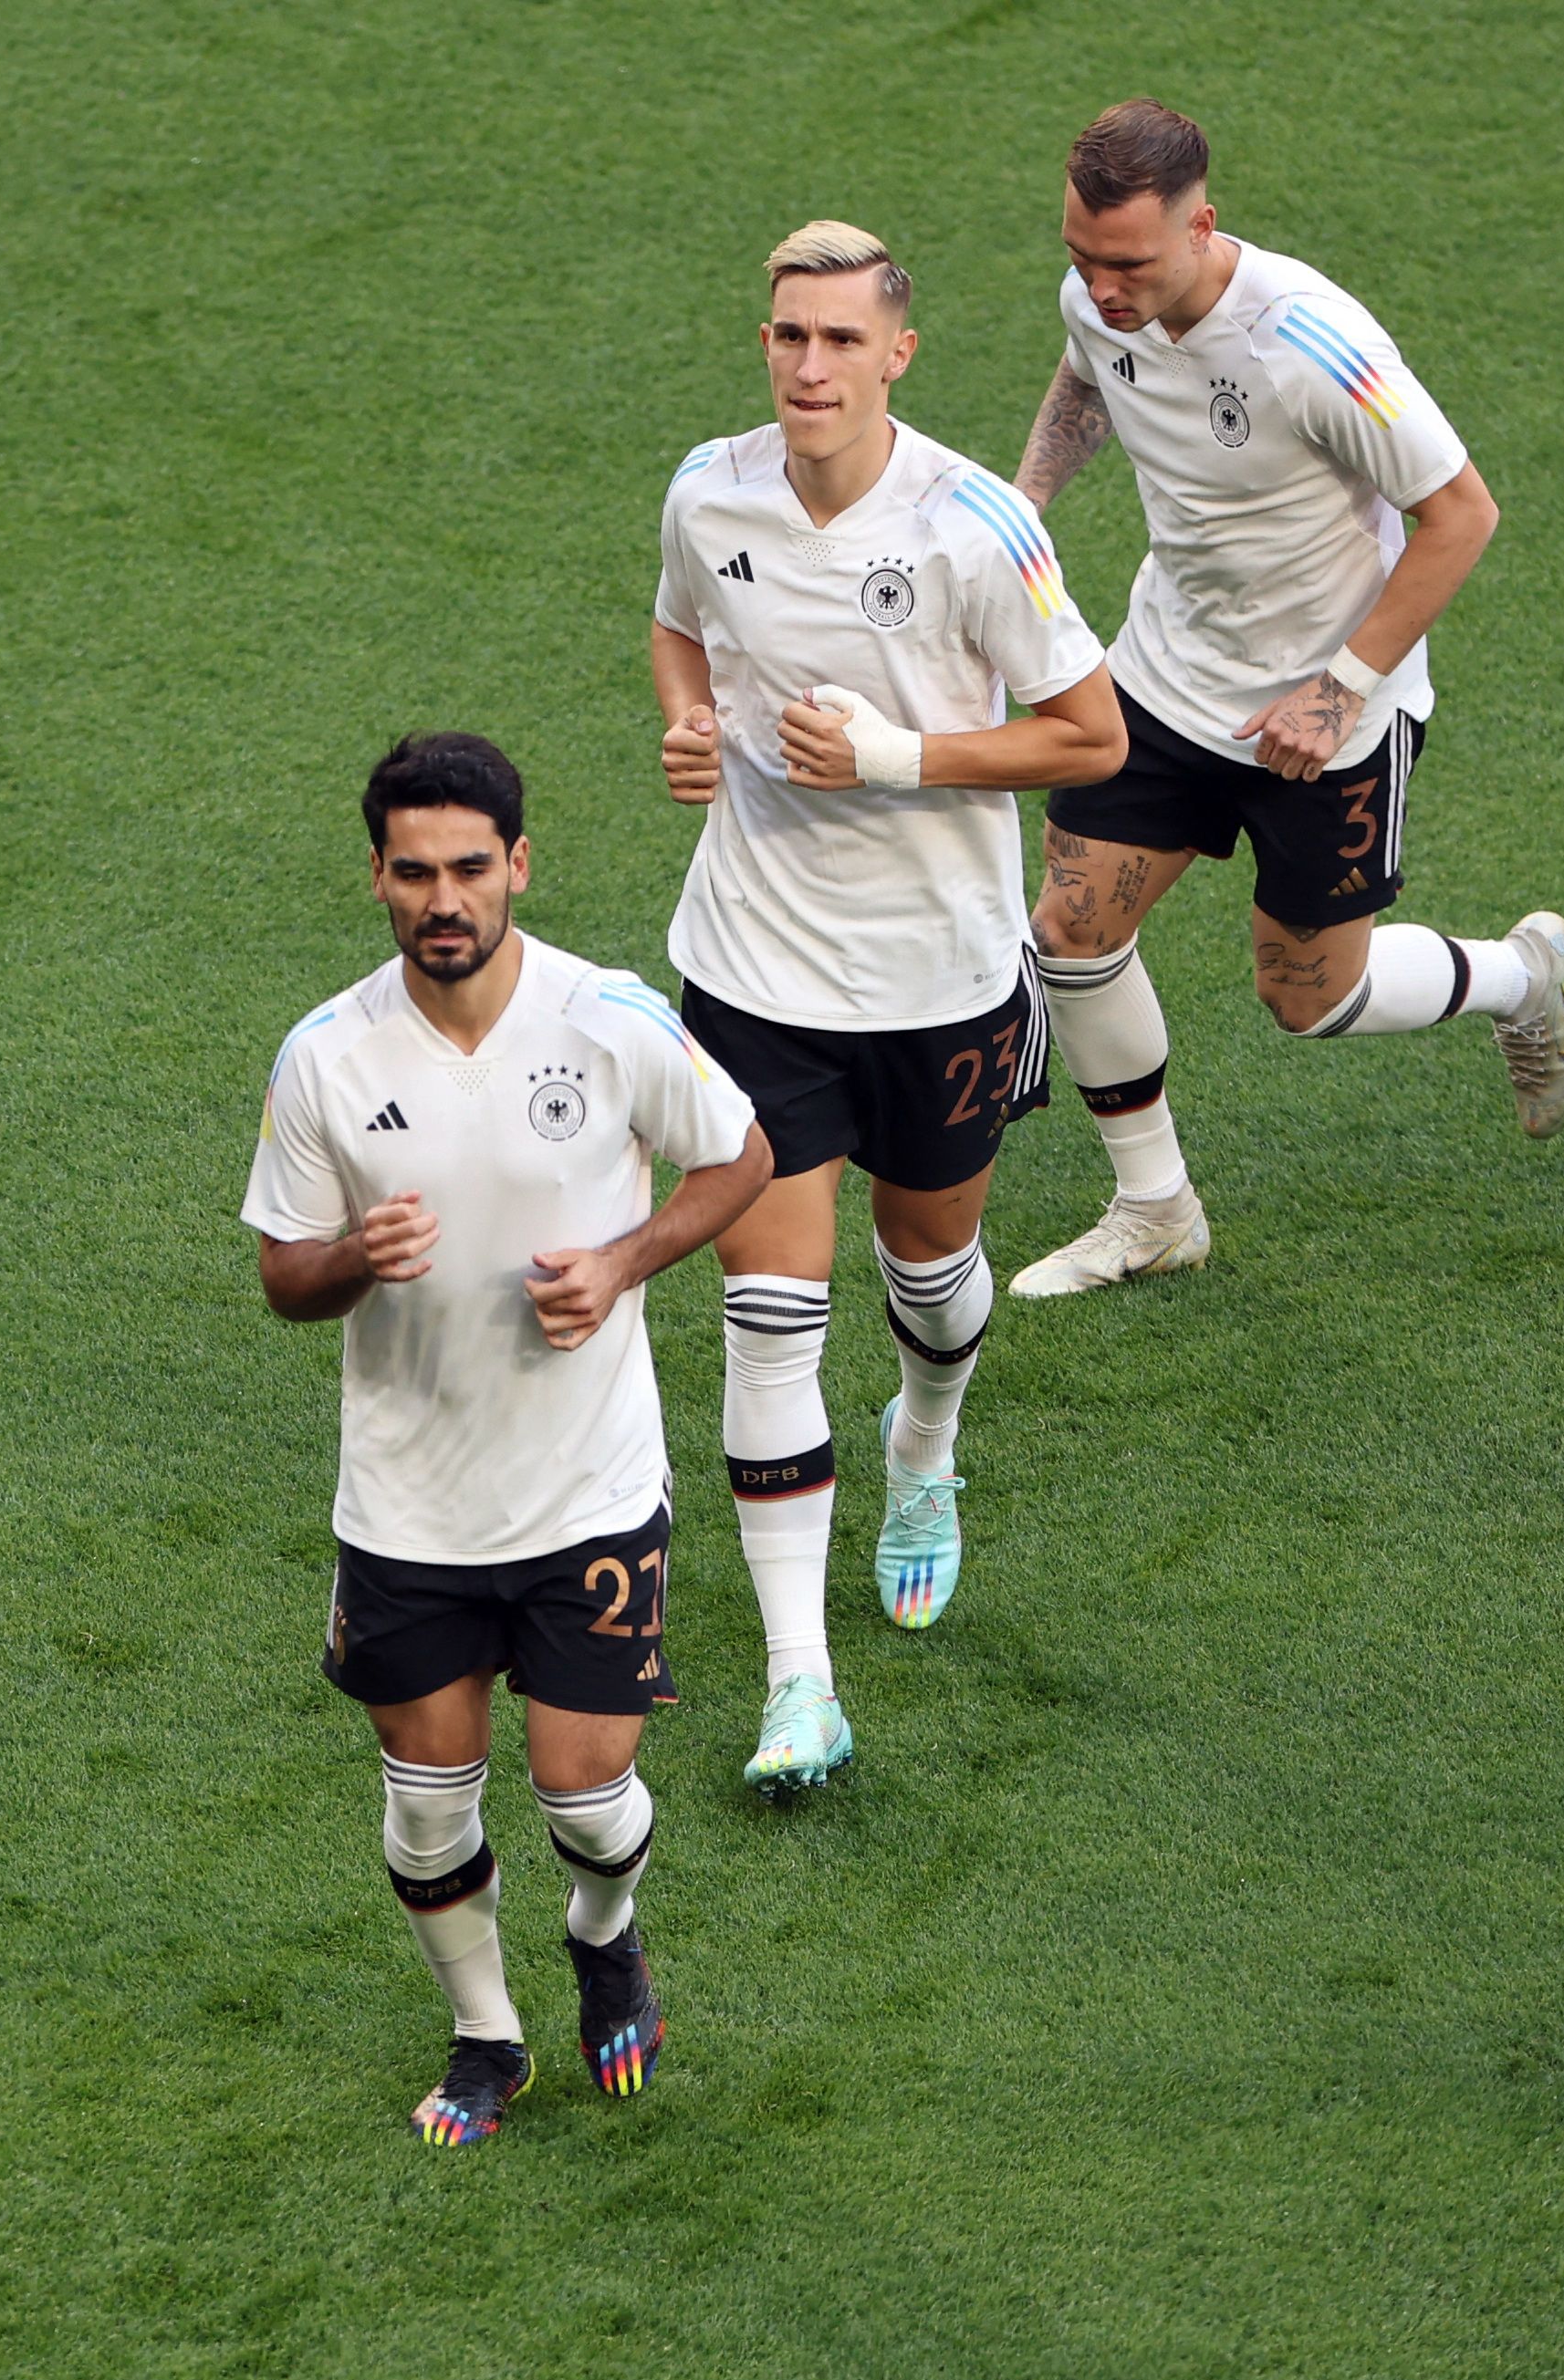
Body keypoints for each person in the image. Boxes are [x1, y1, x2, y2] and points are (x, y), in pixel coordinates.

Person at [244, 733, 770, 2149]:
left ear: (518, 867)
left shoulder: (606, 1019)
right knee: (427, 1817)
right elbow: (285, 1279)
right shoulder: (328, 1056)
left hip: (587, 1490)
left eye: (469, 867)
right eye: (413, 872)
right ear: (376, 879)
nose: (443, 899)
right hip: (407, 1506)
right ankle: (486, 2034)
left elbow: (741, 1155)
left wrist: (625, 1261)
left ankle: (607, 1941)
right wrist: (355, 1249)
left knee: (583, 1793)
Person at [653, 221, 1127, 1791]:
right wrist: (684, 721)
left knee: (930, 1276)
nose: (807, 366)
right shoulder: (706, 490)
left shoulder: (975, 526)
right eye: (787, 335)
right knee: (767, 1316)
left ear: (897, 354)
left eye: (840, 341)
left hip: (937, 983)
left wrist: (898, 757)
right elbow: (680, 627)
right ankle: (802, 1684)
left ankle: (925, 1448)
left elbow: (1090, 740)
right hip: (748, 970)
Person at [1005, 98, 1564, 1298]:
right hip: (1163, 678)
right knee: (1069, 927)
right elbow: (1083, 386)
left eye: (1126, 263)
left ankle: (1523, 980)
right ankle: (1154, 1207)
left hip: (1327, 720)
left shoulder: (1308, 342)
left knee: (1309, 999)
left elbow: (1460, 514)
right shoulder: (1095, 301)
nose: (1100, 287)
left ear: (1201, 225)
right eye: (1079, 257)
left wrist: (1340, 687)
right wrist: (1020, 515)